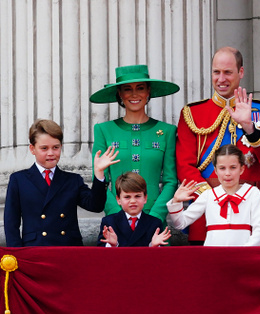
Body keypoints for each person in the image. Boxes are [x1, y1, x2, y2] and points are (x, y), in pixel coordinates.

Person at [176, 46, 260, 245]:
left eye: (227, 72)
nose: (221, 79)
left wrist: (250, 127)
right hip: (206, 215)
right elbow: (184, 165)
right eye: (216, 72)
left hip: (250, 213)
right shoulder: (192, 114)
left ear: (240, 72)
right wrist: (213, 199)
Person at [4, 119, 117, 246]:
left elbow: (95, 206)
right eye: (44, 148)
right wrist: (16, 254)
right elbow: (11, 222)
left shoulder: (73, 180)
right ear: (32, 149)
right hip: (35, 249)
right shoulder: (19, 180)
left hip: (67, 249)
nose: (51, 153)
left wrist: (99, 174)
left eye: (55, 147)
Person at [89, 64, 179, 223]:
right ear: (120, 93)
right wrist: (117, 215)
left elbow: (170, 181)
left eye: (140, 88)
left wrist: (156, 216)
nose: (134, 94)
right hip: (117, 224)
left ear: (148, 91)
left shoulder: (167, 131)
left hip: (154, 223)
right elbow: (100, 179)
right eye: (127, 89)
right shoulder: (103, 130)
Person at [167, 144, 260, 246]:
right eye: (222, 168)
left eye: (233, 167)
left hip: (244, 256)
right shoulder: (208, 195)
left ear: (241, 169)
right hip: (213, 256)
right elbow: (180, 223)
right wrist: (176, 202)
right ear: (216, 170)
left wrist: (245, 252)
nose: (227, 173)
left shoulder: (252, 193)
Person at [98, 172, 172, 247]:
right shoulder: (109, 222)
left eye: (137, 196)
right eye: (127, 197)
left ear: (145, 198)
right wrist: (113, 245)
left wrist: (153, 246)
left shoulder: (154, 223)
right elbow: (99, 253)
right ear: (118, 200)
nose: (133, 201)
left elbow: (161, 256)